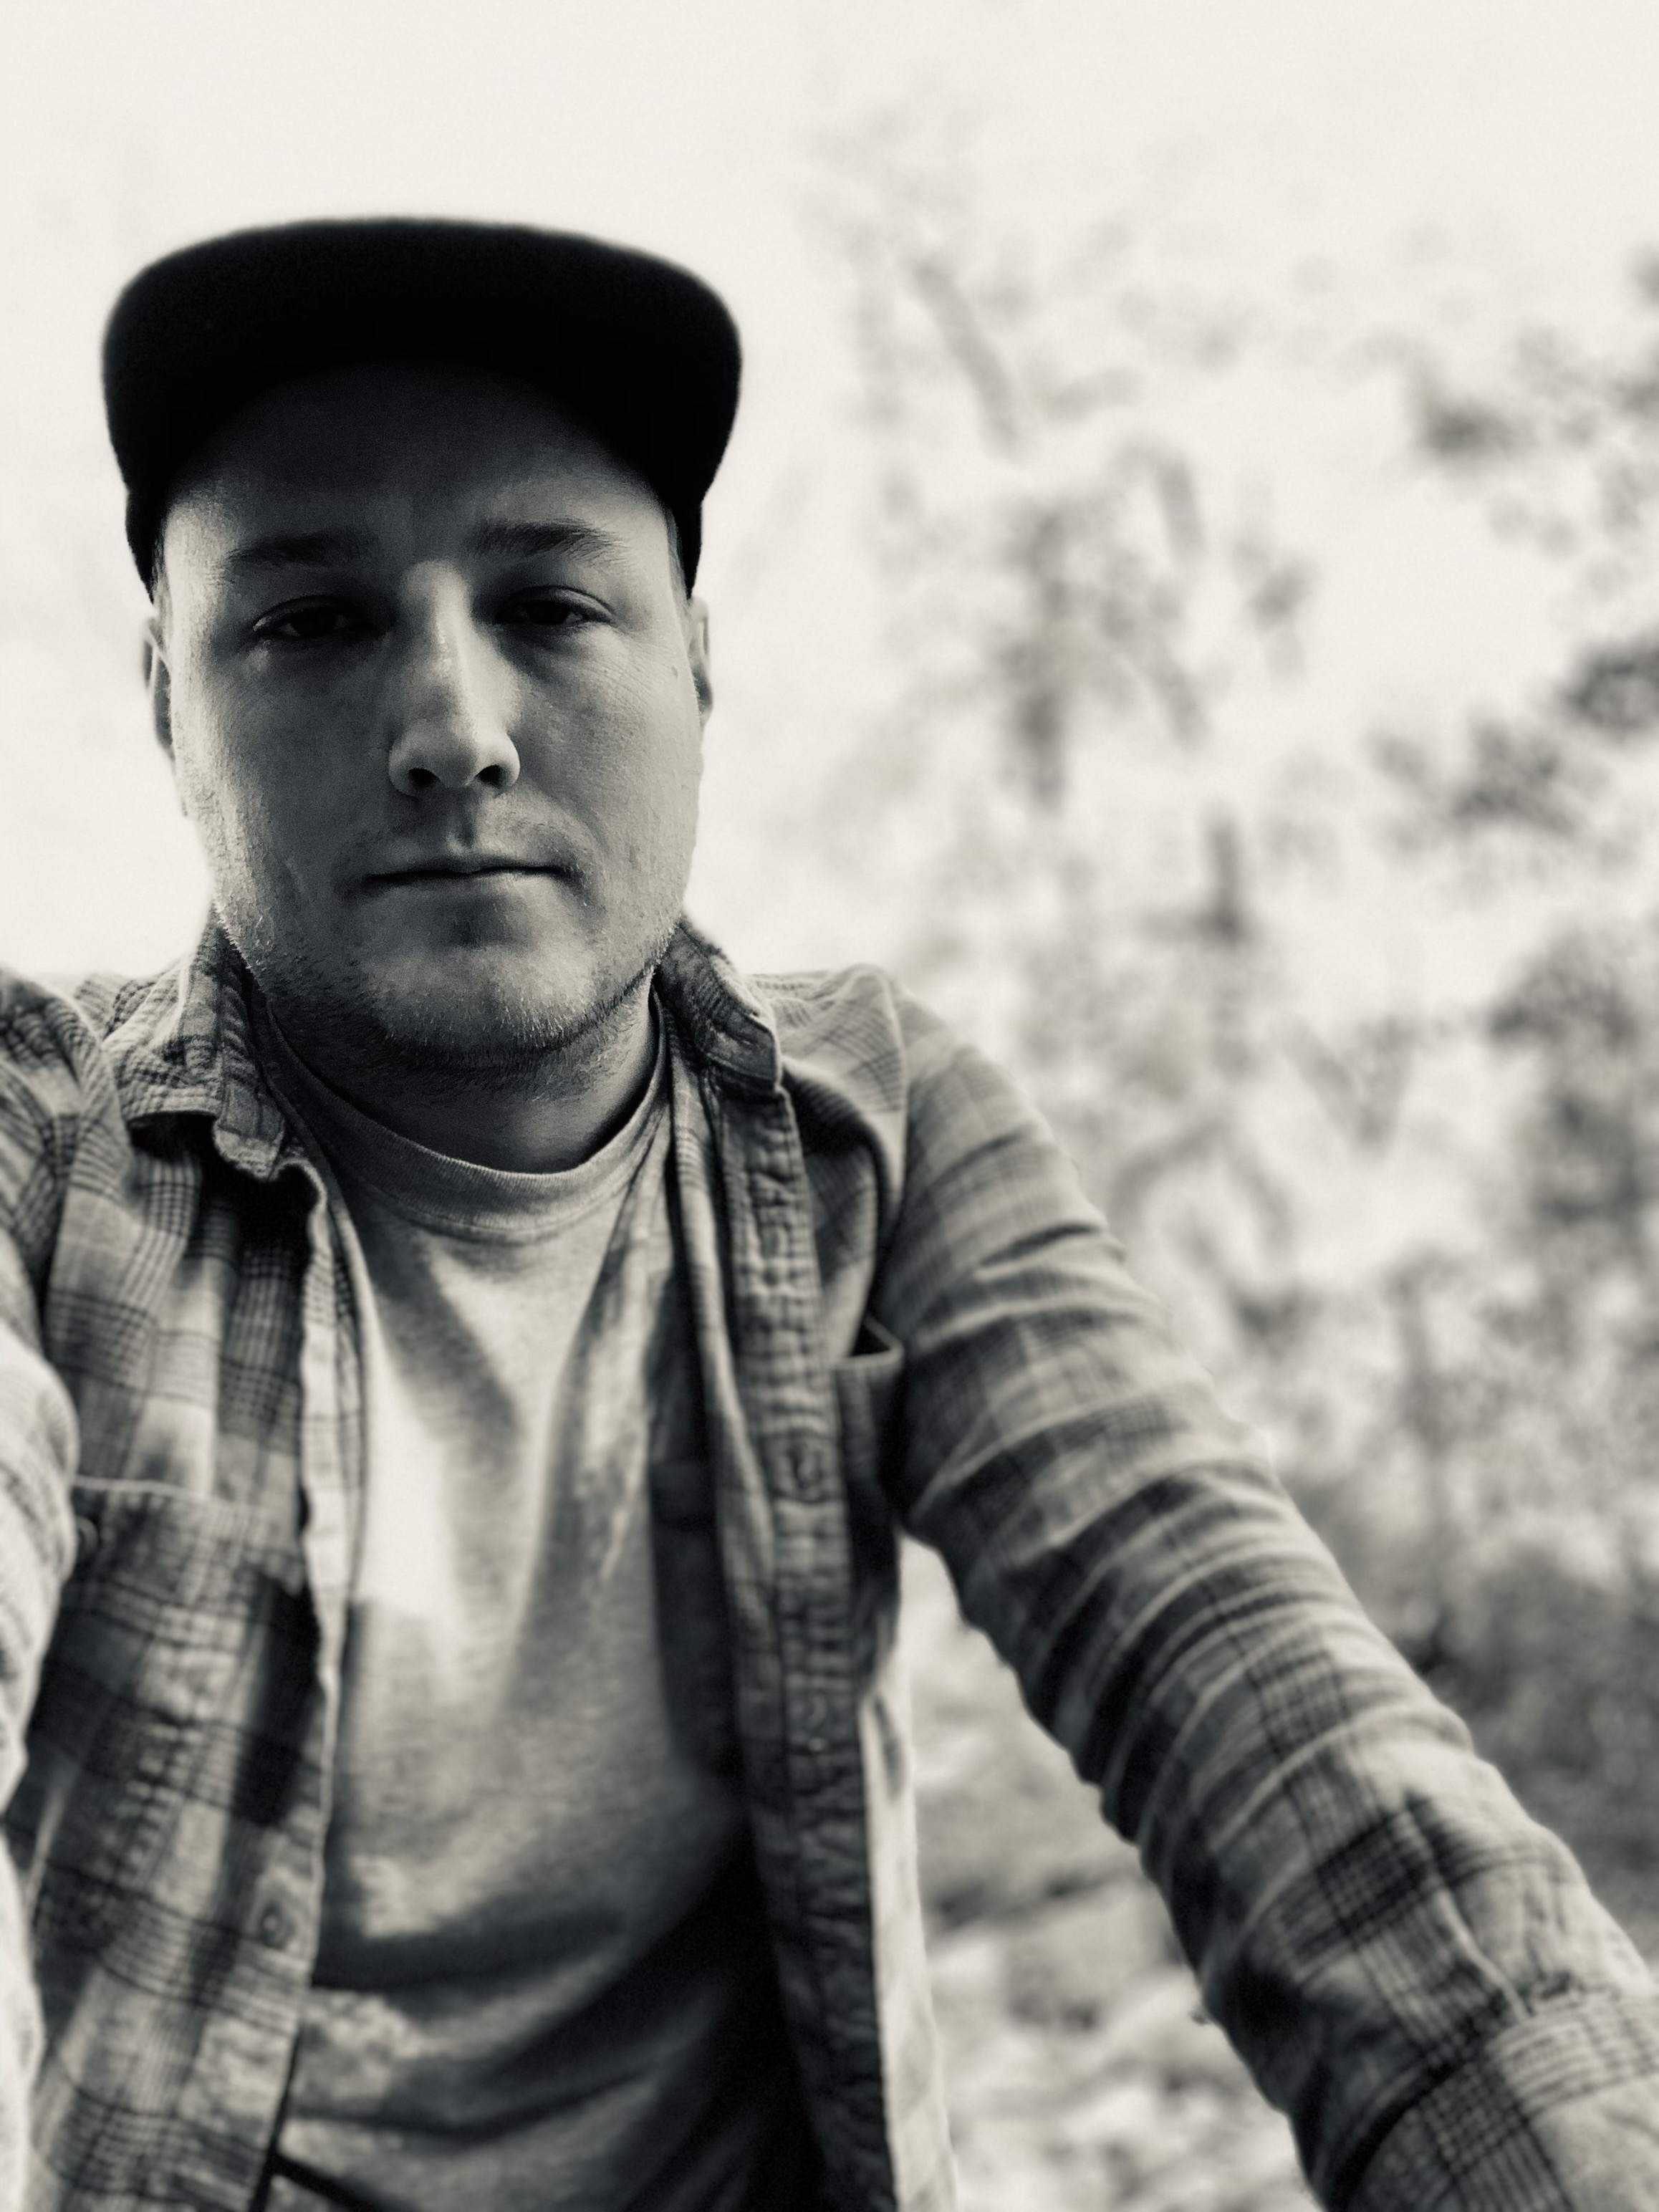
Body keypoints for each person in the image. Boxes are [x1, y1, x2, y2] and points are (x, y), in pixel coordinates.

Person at [1, 217, 1655, 2212]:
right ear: (166, 698)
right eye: (313, 621)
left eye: (548, 603)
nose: (453, 730)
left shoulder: (876, 1134)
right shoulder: (45, 1143)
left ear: (696, 663)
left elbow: (1278, 1731)